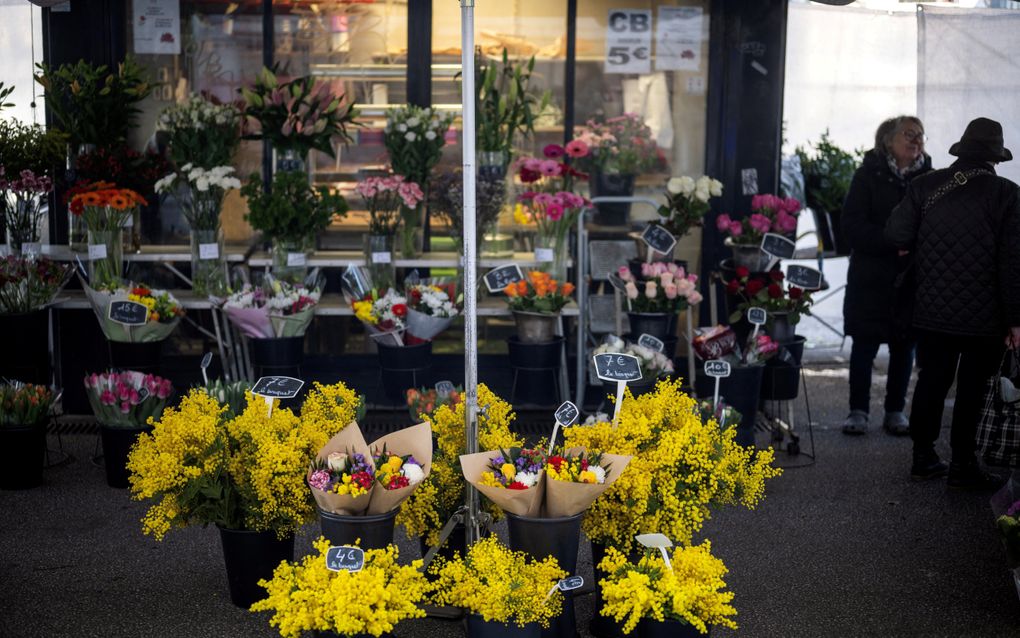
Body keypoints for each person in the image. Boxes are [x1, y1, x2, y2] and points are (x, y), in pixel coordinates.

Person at [885, 117, 1020, 489]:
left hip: (931, 311)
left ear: (962, 148)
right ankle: (963, 465)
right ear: (995, 157)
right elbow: (1012, 262)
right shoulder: (1007, 194)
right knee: (973, 388)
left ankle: (923, 457)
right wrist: (1015, 319)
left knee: (932, 381)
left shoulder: (925, 185)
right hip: (985, 318)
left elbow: (895, 232)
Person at [841, 116, 932, 436]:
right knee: (864, 344)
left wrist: (914, 246)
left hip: (910, 277)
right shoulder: (867, 175)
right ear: (888, 141)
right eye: (909, 134)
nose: (917, 140)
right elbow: (852, 225)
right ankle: (858, 411)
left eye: (920, 135)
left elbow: (937, 225)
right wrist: (890, 242)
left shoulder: (931, 178)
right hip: (871, 275)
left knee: (904, 345)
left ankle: (895, 410)